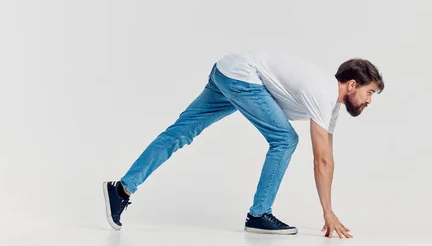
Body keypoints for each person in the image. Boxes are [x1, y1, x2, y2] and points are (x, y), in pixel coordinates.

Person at [103, 50, 384, 238]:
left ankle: (122, 189)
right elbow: (320, 160)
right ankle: (259, 214)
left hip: (227, 71)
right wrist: (328, 212)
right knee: (285, 139)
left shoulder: (329, 107)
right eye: (369, 92)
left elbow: (327, 159)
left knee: (180, 133)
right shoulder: (322, 92)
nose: (369, 101)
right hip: (241, 76)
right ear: (350, 85)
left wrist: (328, 209)